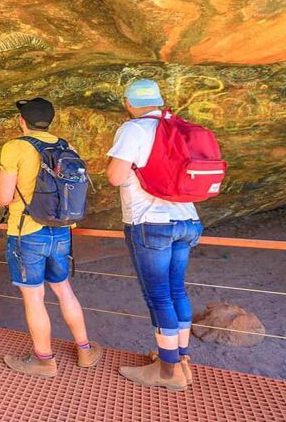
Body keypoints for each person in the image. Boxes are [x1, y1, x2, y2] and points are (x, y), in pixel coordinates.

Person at [0, 98, 102, 377]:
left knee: (34, 297)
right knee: (64, 289)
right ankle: (85, 350)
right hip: (62, 230)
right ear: (50, 121)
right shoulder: (66, 146)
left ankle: (44, 360)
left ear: (22, 121)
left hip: (26, 232)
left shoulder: (15, 146)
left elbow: (3, 197)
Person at [106, 79, 201, 391]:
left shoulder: (133, 129)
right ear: (159, 100)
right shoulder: (176, 125)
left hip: (151, 222)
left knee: (158, 295)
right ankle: (180, 359)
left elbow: (115, 176)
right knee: (176, 291)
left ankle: (167, 370)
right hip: (187, 218)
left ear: (128, 103)